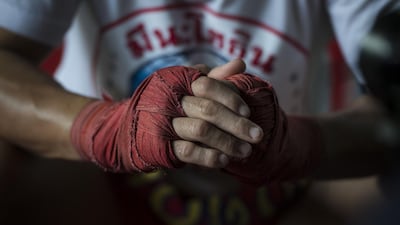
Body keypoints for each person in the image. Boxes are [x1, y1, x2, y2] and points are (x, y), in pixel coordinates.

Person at [0, 0, 398, 224]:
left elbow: (392, 114)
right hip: (98, 193)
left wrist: (295, 146)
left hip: (283, 201)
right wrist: (106, 129)